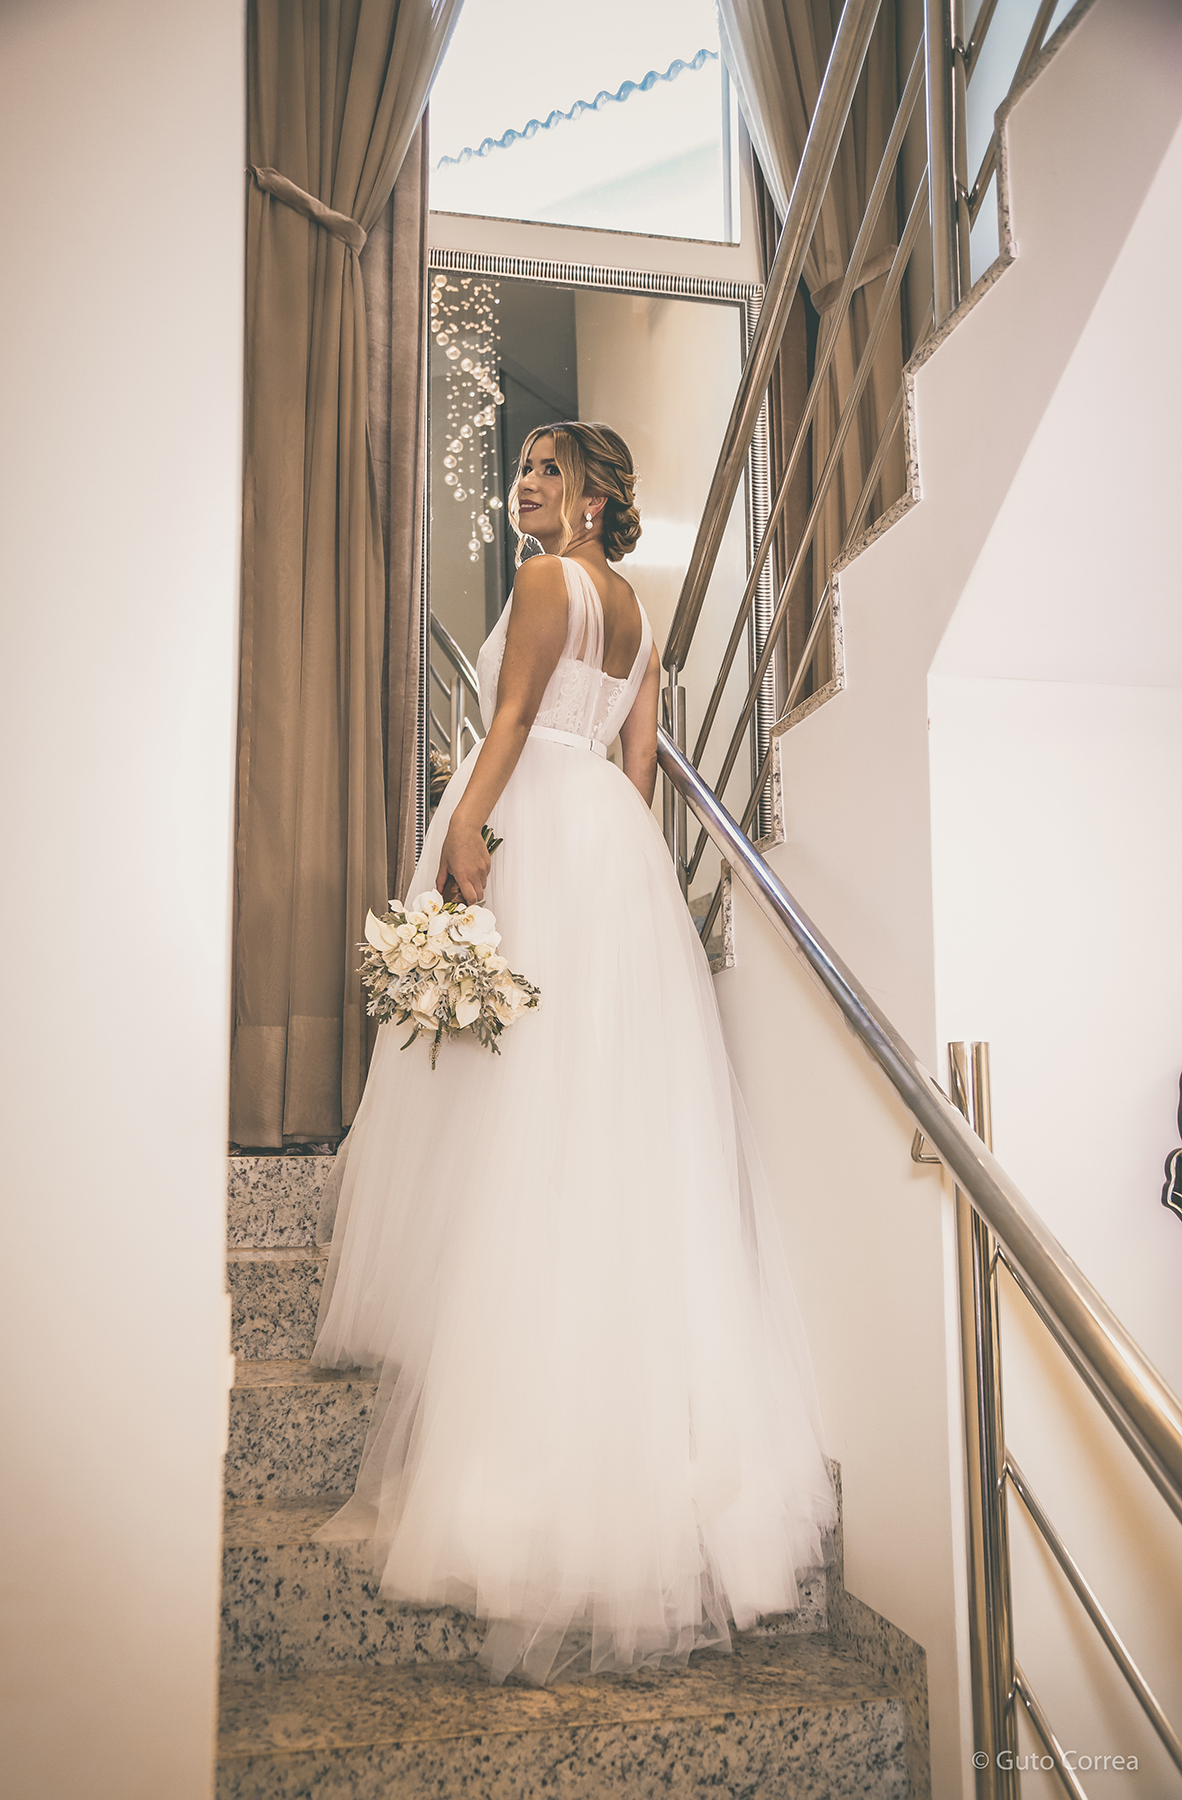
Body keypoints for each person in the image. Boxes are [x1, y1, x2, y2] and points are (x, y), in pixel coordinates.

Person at [309, 420, 837, 1686]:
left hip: (541, 812)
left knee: (512, 1089)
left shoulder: (549, 581)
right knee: (589, 1101)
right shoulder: (638, 612)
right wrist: (623, 882)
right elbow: (640, 765)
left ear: (595, 497)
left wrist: (469, 830)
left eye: (549, 472)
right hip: (609, 839)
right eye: (525, 470)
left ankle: (511, 1419)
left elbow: (506, 721)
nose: (526, 487)